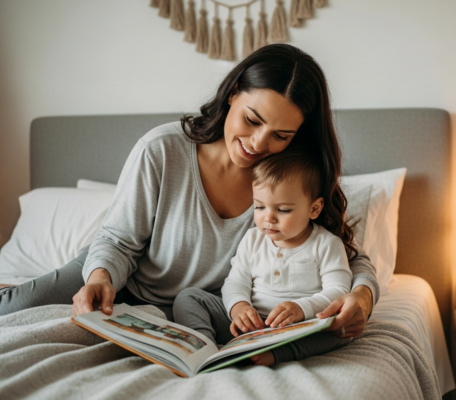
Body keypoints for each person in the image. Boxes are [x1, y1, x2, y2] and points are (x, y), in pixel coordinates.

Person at [0, 44, 379, 342]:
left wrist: (362, 297)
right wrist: (99, 277)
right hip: (120, 277)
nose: (258, 143)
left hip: (193, 309)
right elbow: (118, 240)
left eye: (281, 135)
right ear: (232, 93)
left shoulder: (290, 181)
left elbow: (346, 256)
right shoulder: (162, 150)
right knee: (14, 308)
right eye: (252, 120)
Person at [173, 147, 354, 366]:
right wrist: (239, 307)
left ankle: (277, 354)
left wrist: (301, 309)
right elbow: (236, 281)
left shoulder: (326, 244)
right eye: (259, 207)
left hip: (300, 326)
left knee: (342, 330)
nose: (268, 218)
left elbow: (338, 292)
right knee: (188, 298)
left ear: (314, 208)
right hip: (252, 322)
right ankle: (206, 349)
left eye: (283, 210)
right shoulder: (252, 239)